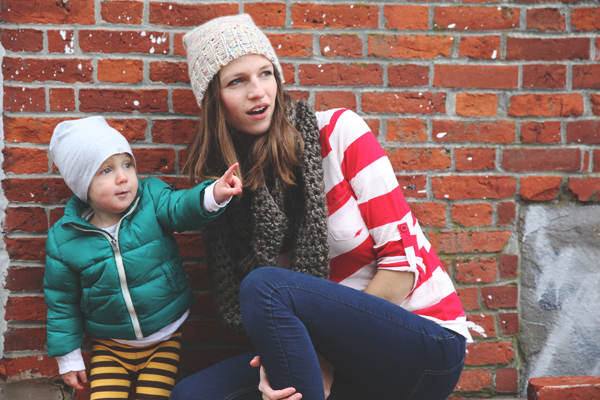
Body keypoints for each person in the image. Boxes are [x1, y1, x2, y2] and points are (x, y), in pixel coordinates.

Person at [171, 14, 473, 400]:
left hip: (422, 345)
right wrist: (278, 364)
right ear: (214, 101)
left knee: (264, 285)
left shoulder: (339, 133)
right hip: (340, 361)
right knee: (192, 394)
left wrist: (322, 358)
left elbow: (402, 269)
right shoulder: (229, 195)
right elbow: (276, 319)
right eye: (237, 81)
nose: (258, 92)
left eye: (265, 74)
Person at [43, 116, 241, 399]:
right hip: (110, 345)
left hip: (163, 338)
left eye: (127, 164)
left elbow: (181, 207)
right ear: (82, 183)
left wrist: (213, 194)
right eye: (106, 170)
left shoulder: (152, 200)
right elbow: (62, 303)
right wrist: (69, 358)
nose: (123, 177)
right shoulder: (65, 239)